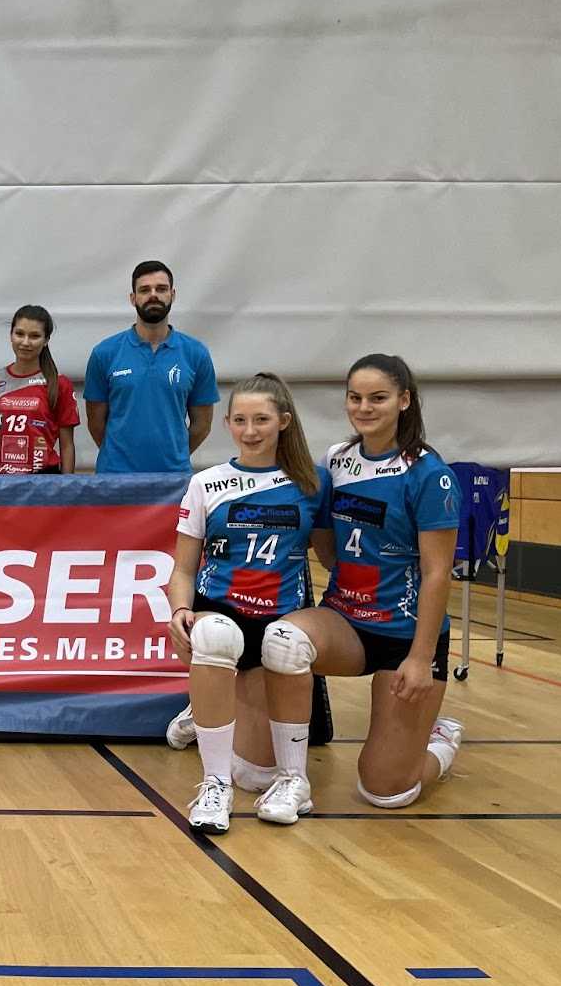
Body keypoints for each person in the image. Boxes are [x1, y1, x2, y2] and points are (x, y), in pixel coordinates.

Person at [254, 355, 463, 811]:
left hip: (405, 637)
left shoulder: (430, 475)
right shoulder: (337, 460)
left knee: (387, 791)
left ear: (404, 401)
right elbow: (327, 546)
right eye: (355, 397)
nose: (364, 408)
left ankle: (441, 741)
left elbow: (437, 573)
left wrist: (420, 657)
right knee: (283, 641)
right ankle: (292, 781)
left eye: (378, 398)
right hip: (347, 623)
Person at [166, 374, 331, 833]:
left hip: (277, 619)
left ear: (284, 422)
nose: (250, 430)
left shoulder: (313, 483)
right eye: (240, 420)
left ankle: (210, 710)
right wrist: (179, 612)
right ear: (227, 424)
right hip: (219, 610)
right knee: (215, 636)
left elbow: (332, 556)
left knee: (256, 776)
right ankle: (213, 785)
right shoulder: (206, 483)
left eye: (261, 420)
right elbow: (182, 569)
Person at [84, 260, 218, 474]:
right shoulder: (105, 353)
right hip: (114, 478)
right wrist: (119, 459)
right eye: (145, 290)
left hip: (174, 479)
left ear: (172, 295)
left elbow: (202, 425)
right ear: (133, 298)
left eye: (161, 289)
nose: (153, 295)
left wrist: (174, 456)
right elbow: (95, 423)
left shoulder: (196, 353)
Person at [0, 305, 80, 474]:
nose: (26, 342)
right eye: (20, 334)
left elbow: (67, 446)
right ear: (11, 335)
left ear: (46, 340)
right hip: (0, 481)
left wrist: (67, 486)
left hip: (45, 481)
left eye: (35, 336)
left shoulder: (59, 383)